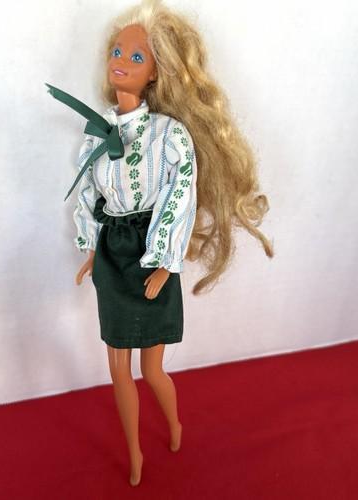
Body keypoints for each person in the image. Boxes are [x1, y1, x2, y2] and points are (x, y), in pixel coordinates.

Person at [70, 0, 274, 486]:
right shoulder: (98, 132)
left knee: (152, 369)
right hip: (112, 254)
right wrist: (91, 246)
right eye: (117, 51)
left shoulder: (170, 136)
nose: (121, 61)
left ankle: (175, 423)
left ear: (157, 73)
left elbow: (180, 197)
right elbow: (89, 194)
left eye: (136, 57)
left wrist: (164, 262)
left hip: (151, 253)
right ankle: (135, 454)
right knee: (118, 368)